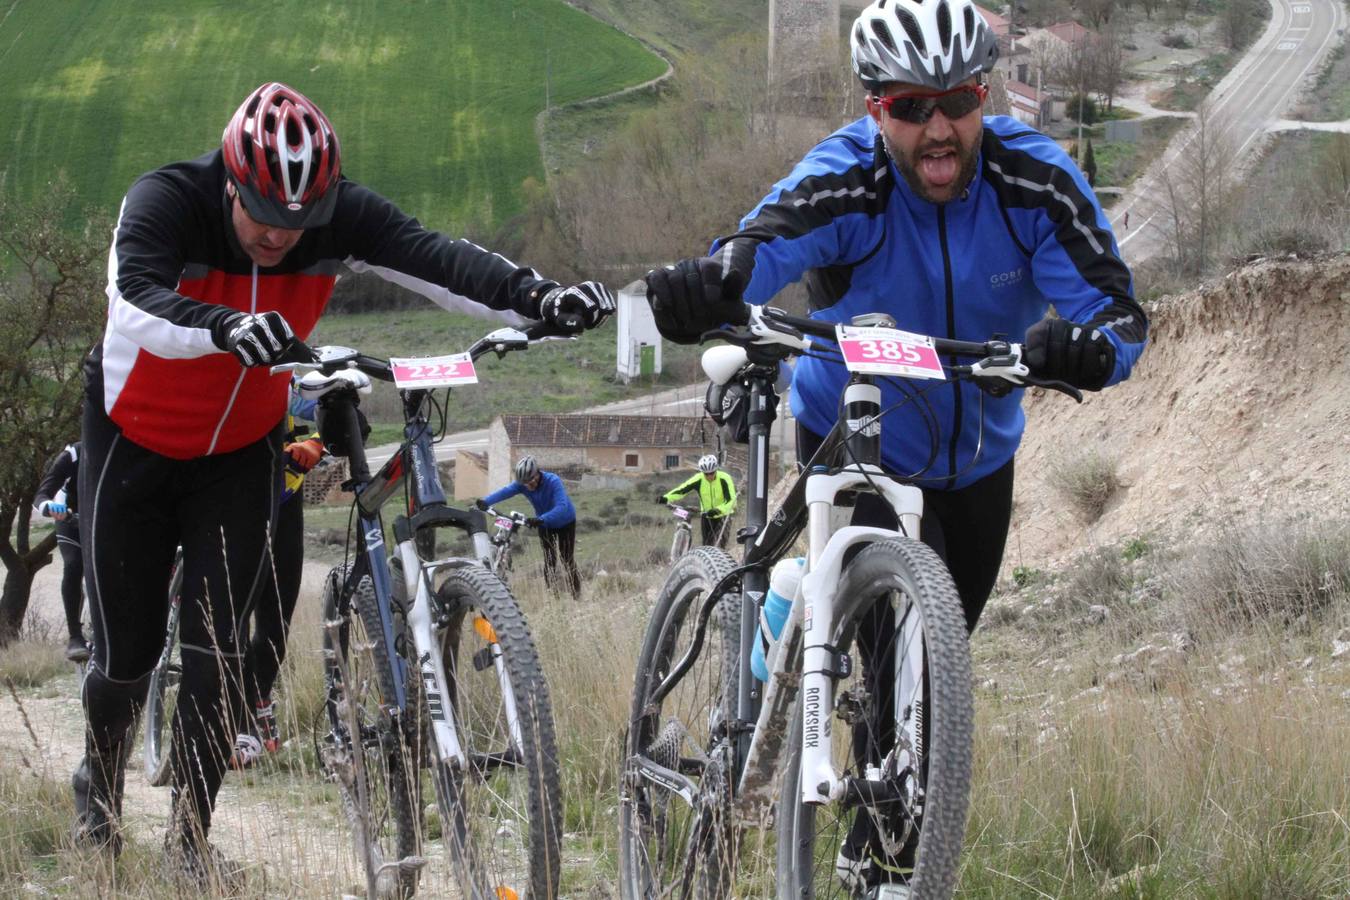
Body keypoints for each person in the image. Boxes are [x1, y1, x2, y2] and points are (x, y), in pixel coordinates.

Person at [645, 0, 1147, 894]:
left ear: (985, 95)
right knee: (896, 665)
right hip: (861, 437)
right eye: (911, 108)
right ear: (875, 108)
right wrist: (713, 284)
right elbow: (760, 247)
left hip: (977, 460)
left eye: (958, 102)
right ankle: (879, 864)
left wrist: (1090, 348)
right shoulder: (847, 178)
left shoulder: (1033, 181)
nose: (939, 128)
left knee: (923, 700)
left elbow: (1116, 309)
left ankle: (867, 858)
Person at [74, 81, 614, 880]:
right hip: (135, 441)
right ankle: (98, 791)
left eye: (299, 221)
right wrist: (224, 325)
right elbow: (133, 301)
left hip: (239, 453)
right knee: (128, 653)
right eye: (263, 214)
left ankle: (189, 843)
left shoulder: (334, 216)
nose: (279, 235)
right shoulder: (166, 200)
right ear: (230, 182)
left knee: (216, 653)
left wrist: (537, 295)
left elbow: (436, 258)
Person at [231, 381, 324, 769]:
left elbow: (325, 411)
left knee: (275, 626)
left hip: (284, 496)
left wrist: (317, 443)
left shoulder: (284, 380)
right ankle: (237, 723)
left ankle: (257, 701)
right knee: (230, 617)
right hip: (225, 495)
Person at [476, 456, 581, 599]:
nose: (528, 485)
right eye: (524, 483)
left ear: (537, 473)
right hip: (544, 524)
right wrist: (485, 502)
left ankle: (577, 595)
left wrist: (541, 519)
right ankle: (553, 597)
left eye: (530, 481)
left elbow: (562, 507)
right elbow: (505, 491)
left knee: (567, 559)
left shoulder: (553, 481)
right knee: (549, 561)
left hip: (565, 522)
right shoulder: (522, 483)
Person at [33, 442, 89, 662]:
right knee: (74, 565)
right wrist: (49, 506)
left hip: (103, 521)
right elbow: (42, 495)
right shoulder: (73, 454)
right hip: (70, 518)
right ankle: (75, 636)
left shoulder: (121, 451)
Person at [656, 454, 737, 548]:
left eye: (712, 473)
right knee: (707, 547)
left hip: (724, 516)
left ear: (716, 470)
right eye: (706, 474)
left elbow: (732, 501)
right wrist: (666, 498)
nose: (709, 476)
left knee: (720, 547)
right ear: (702, 472)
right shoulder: (699, 479)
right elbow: (681, 490)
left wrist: (718, 510)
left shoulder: (725, 478)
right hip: (707, 515)